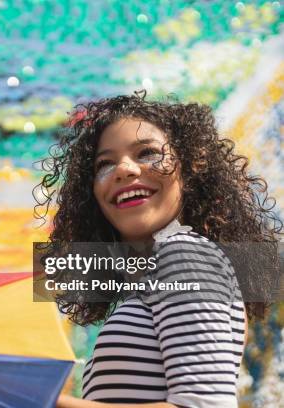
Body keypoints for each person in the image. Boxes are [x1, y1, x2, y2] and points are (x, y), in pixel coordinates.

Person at [34, 92, 282, 408]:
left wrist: (45, 401)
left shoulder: (184, 256)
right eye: (104, 164)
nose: (123, 169)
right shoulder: (152, 274)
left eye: (147, 152)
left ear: (190, 169)